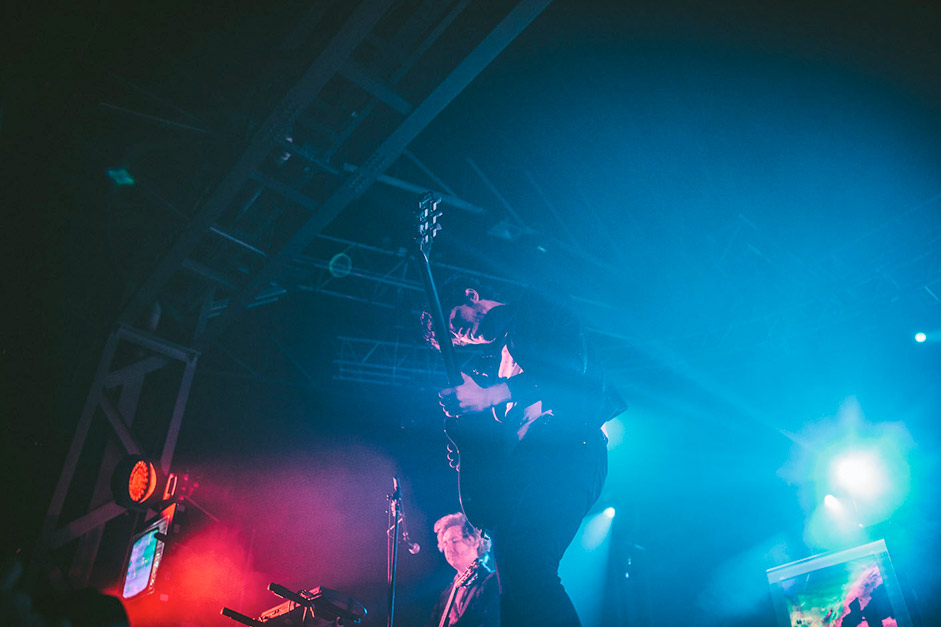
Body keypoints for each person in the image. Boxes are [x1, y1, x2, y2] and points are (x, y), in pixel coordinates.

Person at [424, 275, 626, 627]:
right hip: (523, 477)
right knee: (514, 588)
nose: (461, 336)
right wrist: (468, 444)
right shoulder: (488, 365)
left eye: (456, 321)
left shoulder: (538, 307)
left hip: (568, 456)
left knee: (531, 569)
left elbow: (567, 371)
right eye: (456, 338)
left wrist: (488, 396)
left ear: (471, 295)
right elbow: (493, 441)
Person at [426, 512, 499, 627]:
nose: (448, 548)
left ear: (475, 541)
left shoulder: (491, 582)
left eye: (454, 541)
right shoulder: (445, 596)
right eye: (445, 543)